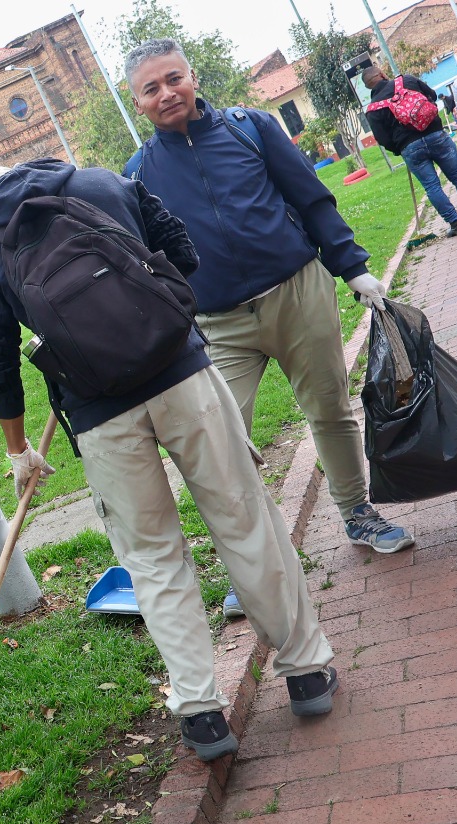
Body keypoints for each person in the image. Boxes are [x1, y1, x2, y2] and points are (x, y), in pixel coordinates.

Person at [0, 161, 338, 762]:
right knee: (243, 518)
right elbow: (183, 252)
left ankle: (202, 714)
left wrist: (20, 447)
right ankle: (306, 672)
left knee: (152, 557)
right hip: (182, 376)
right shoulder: (102, 183)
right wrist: (145, 320)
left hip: (99, 415)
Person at [121, 38, 418, 559]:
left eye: (174, 79)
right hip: (217, 325)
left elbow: (311, 197)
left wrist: (352, 268)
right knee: (223, 442)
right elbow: (152, 263)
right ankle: (259, 559)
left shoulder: (250, 127)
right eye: (151, 88)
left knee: (329, 410)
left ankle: (357, 513)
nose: (167, 94)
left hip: (297, 292)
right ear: (137, 101)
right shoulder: (138, 173)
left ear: (192, 77)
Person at [361, 65, 457, 239]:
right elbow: (432, 96)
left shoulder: (373, 109)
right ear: (382, 74)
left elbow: (382, 139)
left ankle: (456, 224)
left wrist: (400, 148)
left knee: (432, 186)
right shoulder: (407, 80)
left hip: (410, 148)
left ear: (369, 87)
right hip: (435, 134)